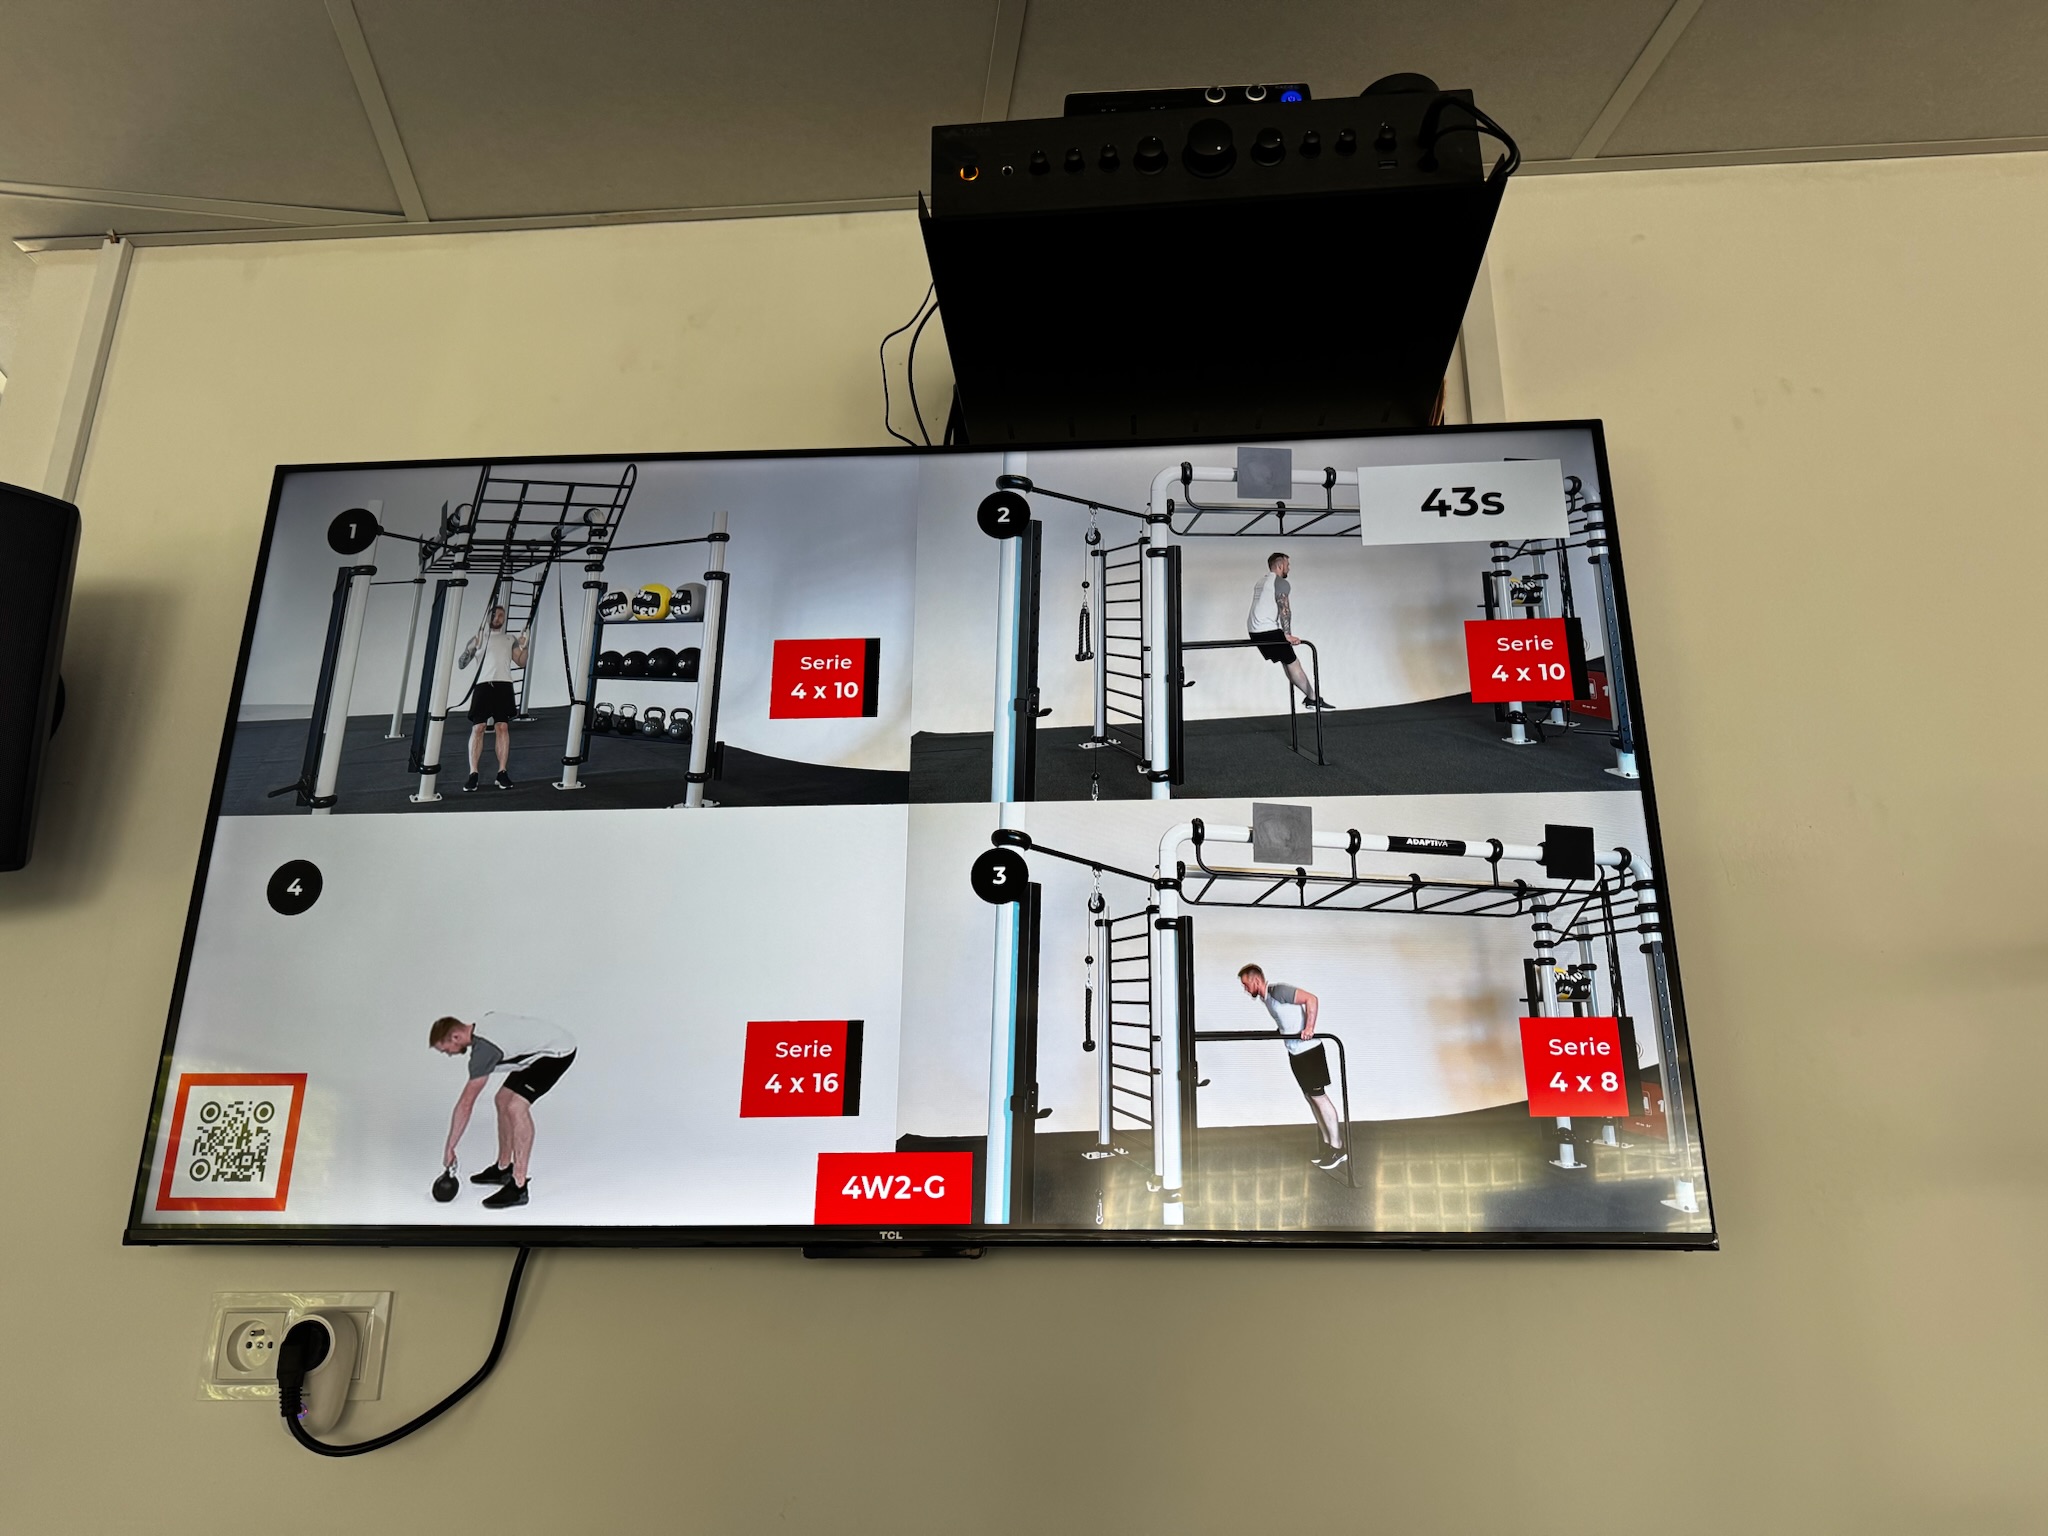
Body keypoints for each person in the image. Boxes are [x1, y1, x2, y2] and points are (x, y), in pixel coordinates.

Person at [429, 1012, 577, 1208]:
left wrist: (450, 1148)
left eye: (446, 1049)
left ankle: (518, 1186)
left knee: (516, 1107)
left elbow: (466, 1104)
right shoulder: (484, 1022)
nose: (448, 1053)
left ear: (455, 1037)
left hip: (557, 1052)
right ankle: (503, 1168)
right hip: (540, 1049)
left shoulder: (483, 1052)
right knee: (502, 1100)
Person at [1236, 963, 1347, 1174]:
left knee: (1319, 1097)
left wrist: (1310, 1027)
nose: (1245, 989)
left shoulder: (1279, 991)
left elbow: (1311, 999)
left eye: (1245, 984)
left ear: (1256, 980)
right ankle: (1327, 1146)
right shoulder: (1267, 999)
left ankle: (1338, 1148)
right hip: (1295, 1053)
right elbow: (1287, 1020)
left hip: (1310, 1051)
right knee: (1310, 1098)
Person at [1246, 552, 1334, 709]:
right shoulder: (1280, 582)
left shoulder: (1261, 581)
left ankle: (1312, 698)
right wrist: (1287, 634)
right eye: (1287, 565)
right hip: (1267, 630)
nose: (1289, 568)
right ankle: (1313, 699)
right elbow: (1284, 610)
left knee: (1288, 663)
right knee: (1294, 664)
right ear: (1280, 566)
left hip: (1254, 631)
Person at [460, 605, 528, 791]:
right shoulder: (478, 638)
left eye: (501, 615)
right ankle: (473, 773)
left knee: (502, 727)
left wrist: (525, 646)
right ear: (488, 617)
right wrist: (471, 648)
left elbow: (521, 662)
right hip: (483, 685)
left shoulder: (510, 639)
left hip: (503, 686)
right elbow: (461, 664)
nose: (498, 618)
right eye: (495, 615)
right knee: (478, 728)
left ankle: (502, 773)